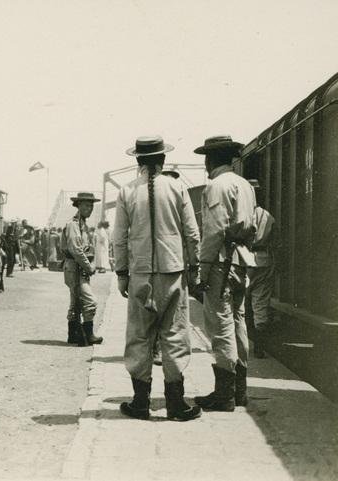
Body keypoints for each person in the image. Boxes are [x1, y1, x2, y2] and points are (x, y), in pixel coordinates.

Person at [113, 136, 201, 421]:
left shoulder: (127, 191)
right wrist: (194, 266)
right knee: (174, 334)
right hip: (172, 272)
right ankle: (176, 403)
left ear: (138, 161)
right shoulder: (177, 188)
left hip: (140, 273)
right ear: (162, 160)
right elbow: (192, 233)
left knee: (139, 336)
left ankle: (140, 402)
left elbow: (119, 238)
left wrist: (122, 273)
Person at [193, 135, 257, 411]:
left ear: (212, 159)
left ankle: (225, 394)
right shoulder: (244, 185)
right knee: (238, 321)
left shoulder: (216, 186)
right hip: (243, 260)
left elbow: (215, 231)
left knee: (220, 326)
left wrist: (202, 270)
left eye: (206, 158)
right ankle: (240, 390)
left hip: (221, 261)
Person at [61, 192, 103, 347]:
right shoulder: (73, 224)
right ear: (78, 206)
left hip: (77, 267)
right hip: (75, 267)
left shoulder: (82, 224)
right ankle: (88, 334)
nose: (90, 208)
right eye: (86, 205)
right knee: (90, 301)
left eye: (91, 205)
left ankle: (73, 334)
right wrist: (89, 266)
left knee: (75, 302)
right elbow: (76, 249)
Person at [246, 179, 277, 359]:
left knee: (240, 303)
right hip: (264, 261)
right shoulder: (268, 216)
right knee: (260, 304)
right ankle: (259, 346)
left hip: (244, 259)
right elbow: (276, 242)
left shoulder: (241, 214)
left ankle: (241, 342)